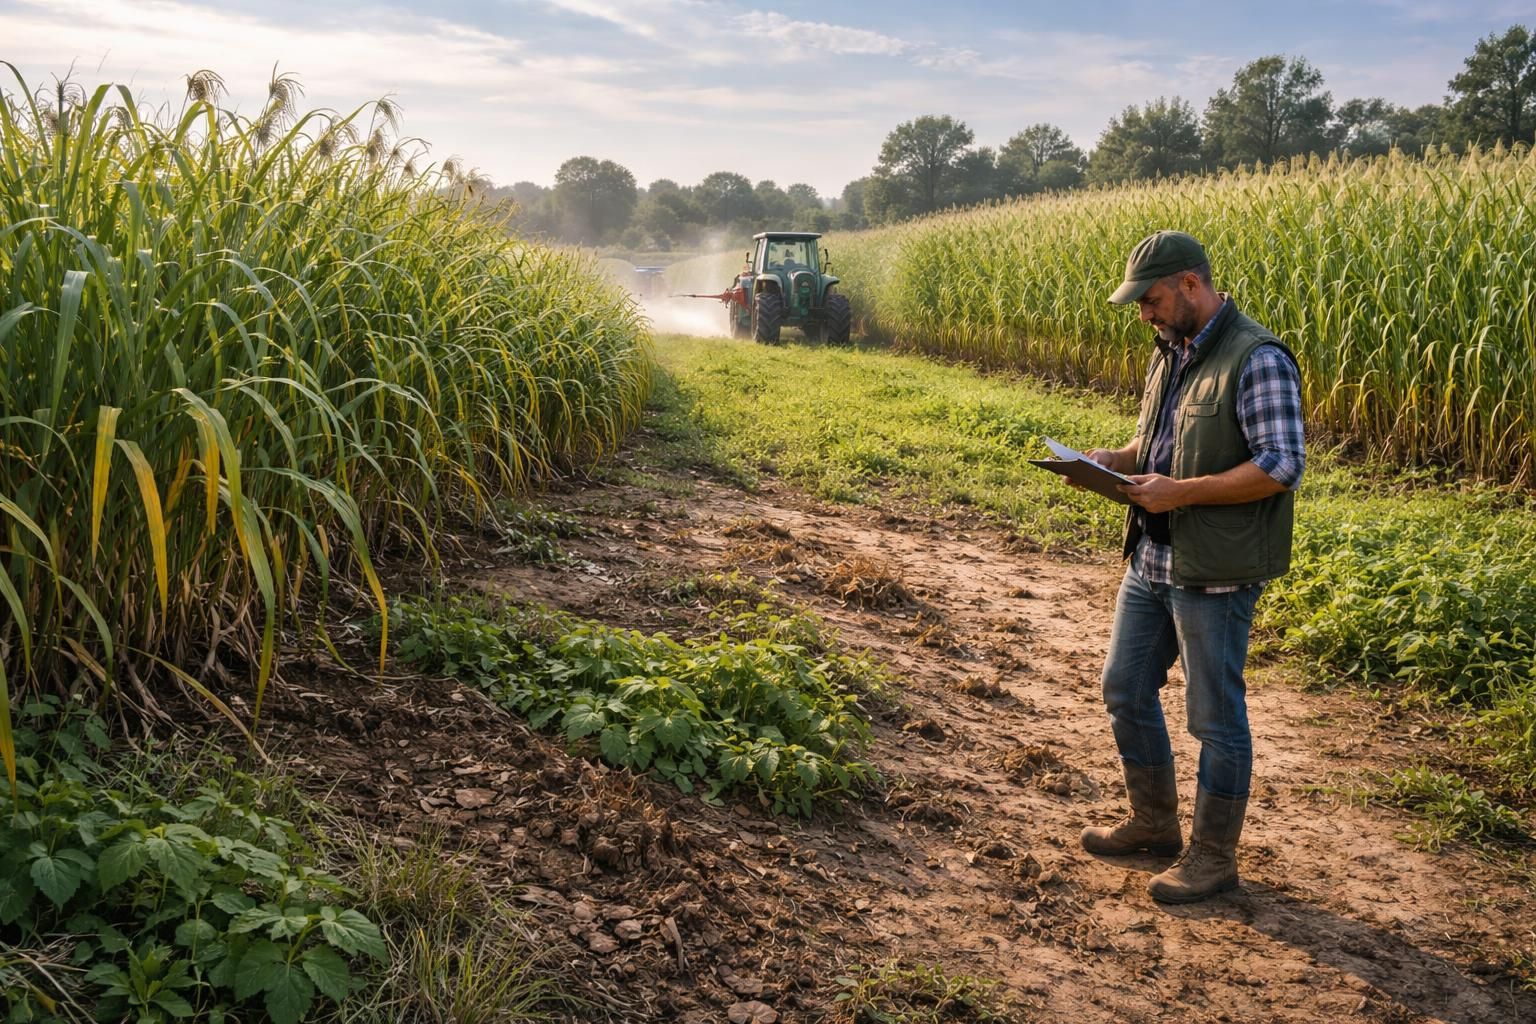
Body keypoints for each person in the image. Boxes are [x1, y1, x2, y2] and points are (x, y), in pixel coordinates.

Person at [1079, 230, 1305, 904]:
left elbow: (1281, 464)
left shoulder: (1255, 358)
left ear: (1190, 285)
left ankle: (1213, 858)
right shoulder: (1170, 352)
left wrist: (1182, 491)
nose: (1143, 314)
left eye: (1149, 300)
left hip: (1215, 571)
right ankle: (1154, 824)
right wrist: (1114, 461)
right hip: (1152, 557)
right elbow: (1159, 442)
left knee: (1215, 719)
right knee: (1124, 686)